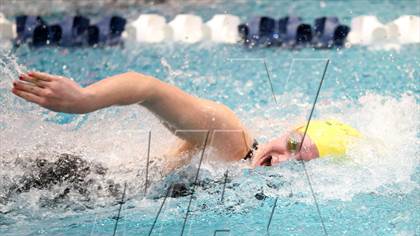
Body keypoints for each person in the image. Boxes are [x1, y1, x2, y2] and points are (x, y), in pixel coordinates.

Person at [11, 71, 361, 169]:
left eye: (302, 162)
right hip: (68, 177)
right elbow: (147, 88)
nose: (283, 159)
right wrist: (85, 99)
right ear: (288, 131)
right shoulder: (232, 140)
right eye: (292, 144)